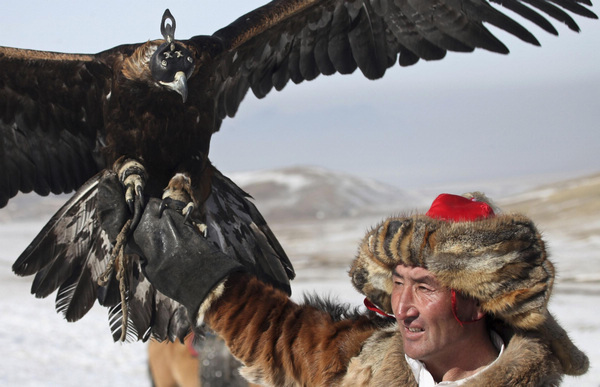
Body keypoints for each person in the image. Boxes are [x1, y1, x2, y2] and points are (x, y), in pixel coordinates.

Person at [98, 174, 589, 386]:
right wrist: (186, 265)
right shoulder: (365, 364)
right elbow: (278, 334)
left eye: (426, 287)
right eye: (399, 282)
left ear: (480, 302)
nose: (403, 306)